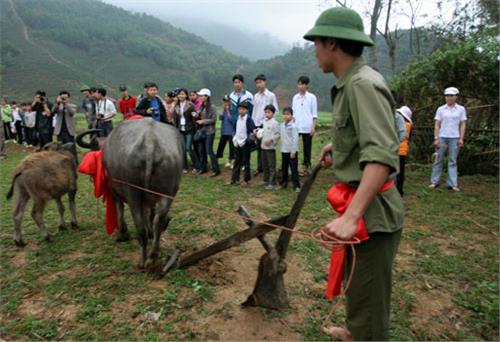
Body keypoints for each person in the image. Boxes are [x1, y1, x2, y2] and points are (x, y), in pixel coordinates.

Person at [303, 6, 404, 340]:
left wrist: (351, 216)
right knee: (359, 285)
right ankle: (355, 330)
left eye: (317, 42)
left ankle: (365, 334)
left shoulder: (362, 85)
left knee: (369, 291)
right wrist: (342, 150)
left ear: (332, 43)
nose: (314, 49)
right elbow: (365, 141)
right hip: (364, 209)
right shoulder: (351, 84)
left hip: (372, 214)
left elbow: (381, 156)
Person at [430, 87, 467, 191]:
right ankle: (434, 181)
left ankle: (452, 183)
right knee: (438, 159)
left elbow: (463, 124)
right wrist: (436, 138)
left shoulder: (461, 109)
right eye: (447, 96)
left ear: (456, 97)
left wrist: (461, 138)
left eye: (451, 96)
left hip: (455, 138)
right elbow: (437, 124)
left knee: (452, 160)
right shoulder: (440, 109)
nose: (449, 98)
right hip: (442, 137)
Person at [252, 74, 279, 176]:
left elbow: (275, 110)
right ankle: (260, 168)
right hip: (258, 124)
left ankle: (269, 169)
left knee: (268, 147)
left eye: (260, 82)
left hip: (267, 125)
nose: (259, 85)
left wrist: (270, 122)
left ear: (265, 82)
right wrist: (254, 127)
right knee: (259, 147)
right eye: (257, 83)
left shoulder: (271, 95)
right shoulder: (256, 96)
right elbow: (254, 111)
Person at [292, 76, 318, 176]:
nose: (300, 86)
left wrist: (313, 126)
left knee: (307, 147)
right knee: (294, 146)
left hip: (307, 126)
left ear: (306, 85)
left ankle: (306, 166)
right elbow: (293, 113)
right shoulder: (295, 97)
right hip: (297, 126)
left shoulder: (312, 97)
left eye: (302, 84)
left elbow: (314, 114)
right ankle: (295, 166)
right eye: (299, 84)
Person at [195, 88, 220, 177]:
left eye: (202, 96)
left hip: (209, 131)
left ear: (207, 96)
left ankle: (216, 169)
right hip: (202, 131)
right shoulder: (202, 106)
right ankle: (203, 168)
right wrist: (195, 115)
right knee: (201, 150)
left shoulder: (212, 107)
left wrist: (203, 121)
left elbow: (214, 120)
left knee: (209, 151)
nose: (200, 97)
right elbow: (198, 114)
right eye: (200, 96)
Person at [229, 102, 256, 186]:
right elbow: (235, 129)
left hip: (245, 144)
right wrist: (235, 139)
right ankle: (234, 179)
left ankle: (246, 180)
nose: (241, 111)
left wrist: (248, 140)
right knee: (237, 161)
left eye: (243, 109)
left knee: (246, 162)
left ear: (247, 110)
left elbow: (252, 131)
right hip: (237, 143)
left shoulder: (248, 119)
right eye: (240, 109)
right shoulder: (237, 118)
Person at [173, 88, 197, 173]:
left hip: (189, 129)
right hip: (180, 129)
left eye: (183, 94)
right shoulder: (176, 106)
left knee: (188, 148)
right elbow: (175, 119)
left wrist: (195, 115)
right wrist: (176, 129)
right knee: (182, 149)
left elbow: (195, 116)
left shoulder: (190, 105)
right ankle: (184, 167)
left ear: (186, 95)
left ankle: (195, 166)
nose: (181, 95)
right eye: (179, 94)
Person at [279, 107, 301, 192]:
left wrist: (293, 151)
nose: (286, 116)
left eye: (288, 114)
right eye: (284, 114)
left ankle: (296, 186)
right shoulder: (281, 125)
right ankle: (284, 183)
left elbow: (295, 139)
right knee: (284, 167)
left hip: (292, 151)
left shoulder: (294, 126)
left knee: (293, 168)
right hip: (284, 150)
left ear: (292, 115)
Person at [52, 90, 78, 159]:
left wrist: (66, 104)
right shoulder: (58, 106)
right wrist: (57, 103)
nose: (63, 99)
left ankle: (74, 162)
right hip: (60, 131)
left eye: (65, 98)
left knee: (71, 148)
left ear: (69, 98)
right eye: (62, 98)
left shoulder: (73, 106)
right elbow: (53, 111)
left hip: (69, 131)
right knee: (60, 148)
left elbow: (72, 113)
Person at [260, 104, 280, 189]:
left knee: (271, 166)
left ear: (273, 113)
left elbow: (278, 135)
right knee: (265, 165)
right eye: (266, 112)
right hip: (263, 146)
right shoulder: (264, 122)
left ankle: (272, 182)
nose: (267, 114)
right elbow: (262, 133)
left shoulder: (275, 123)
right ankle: (266, 180)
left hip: (270, 148)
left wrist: (271, 140)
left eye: (269, 112)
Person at [396, 106, 413, 196]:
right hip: (403, 150)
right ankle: (399, 190)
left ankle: (398, 190)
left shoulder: (404, 124)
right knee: (400, 171)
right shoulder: (408, 124)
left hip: (399, 150)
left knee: (398, 172)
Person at [216, 95, 235, 168]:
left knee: (232, 148)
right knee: (220, 146)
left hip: (231, 132)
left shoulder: (233, 110)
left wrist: (227, 111)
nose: (226, 103)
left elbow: (232, 120)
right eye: (225, 101)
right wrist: (222, 110)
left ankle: (230, 162)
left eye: (227, 101)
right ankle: (216, 160)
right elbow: (220, 118)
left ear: (230, 101)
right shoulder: (223, 109)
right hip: (224, 131)